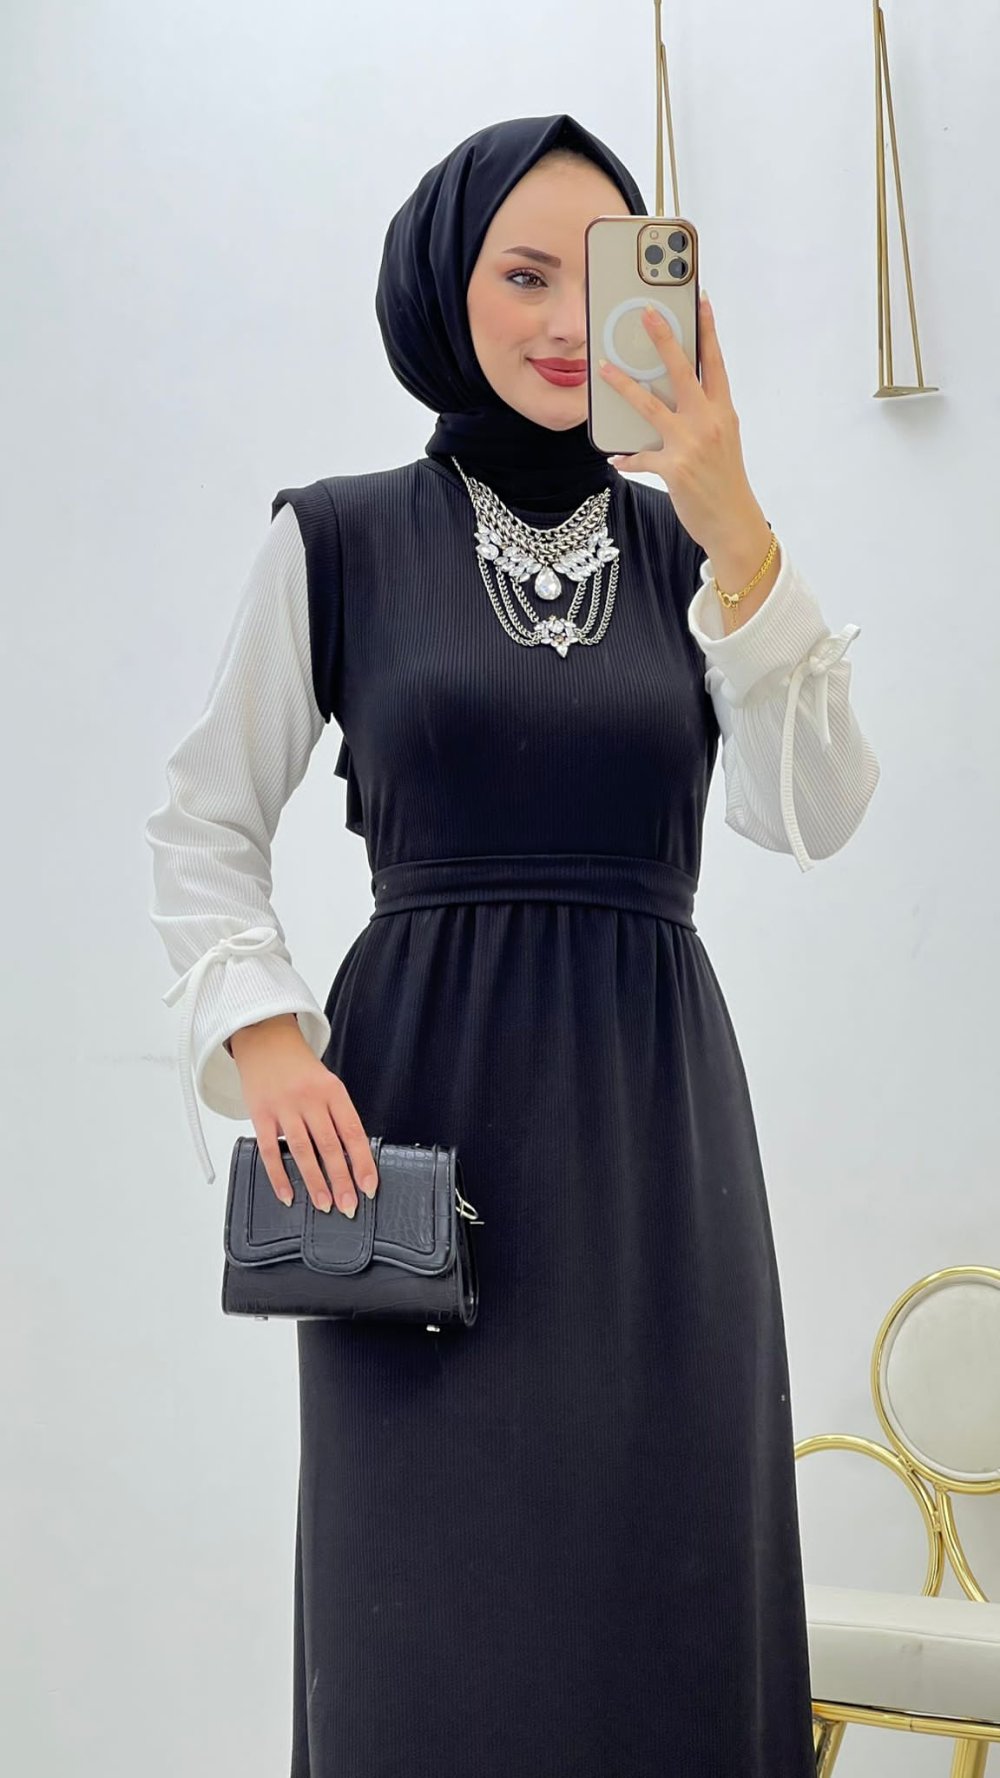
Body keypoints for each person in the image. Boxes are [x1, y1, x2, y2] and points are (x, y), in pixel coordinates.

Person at [144, 113, 879, 1778]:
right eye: (523, 274)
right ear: (443, 285)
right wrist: (266, 1038)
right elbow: (201, 817)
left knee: (666, 1593)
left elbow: (817, 808)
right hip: (418, 1140)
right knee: (428, 1625)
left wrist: (737, 518)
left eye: (603, 278)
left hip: (655, 1141)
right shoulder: (337, 538)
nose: (565, 321)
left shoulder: (694, 553)